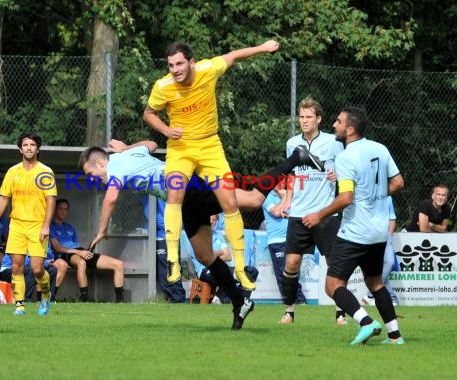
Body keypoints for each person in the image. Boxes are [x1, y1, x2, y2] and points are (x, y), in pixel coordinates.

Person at [80, 138, 323, 329]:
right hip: (184, 201)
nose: (94, 180)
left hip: (191, 189)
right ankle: (240, 301)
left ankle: (296, 157)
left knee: (254, 199)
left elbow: (111, 198)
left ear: (101, 163)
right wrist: (126, 147)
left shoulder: (115, 168)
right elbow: (151, 144)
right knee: (204, 254)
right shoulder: (127, 155)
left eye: (91, 174)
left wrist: (102, 230)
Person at [143, 40, 280, 291]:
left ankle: (240, 267)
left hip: (209, 146)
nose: (175, 69)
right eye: (171, 65)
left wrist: (262, 47)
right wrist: (166, 130)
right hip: (181, 148)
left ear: (192, 62)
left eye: (179, 63)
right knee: (175, 193)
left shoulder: (208, 69)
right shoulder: (162, 86)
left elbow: (233, 56)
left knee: (229, 201)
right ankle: (173, 259)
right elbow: (149, 113)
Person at [303, 106, 405, 345]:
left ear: (350, 129)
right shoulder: (380, 148)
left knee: (332, 286)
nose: (334, 125)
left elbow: (346, 198)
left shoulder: (346, 157)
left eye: (338, 122)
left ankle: (366, 322)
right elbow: (398, 182)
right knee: (376, 283)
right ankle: (395, 336)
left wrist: (319, 215)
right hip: (380, 232)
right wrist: (373, 195)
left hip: (356, 231)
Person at [278, 96, 346, 325]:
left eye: (309, 117)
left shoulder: (333, 142)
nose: (304, 121)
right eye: (301, 117)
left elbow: (344, 168)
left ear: (319, 119)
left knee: (333, 261)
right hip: (298, 212)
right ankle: (289, 311)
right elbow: (291, 174)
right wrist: (288, 199)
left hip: (325, 213)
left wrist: (337, 175)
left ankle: (341, 313)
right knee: (291, 262)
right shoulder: (292, 143)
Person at [0, 132, 57, 316]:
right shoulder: (13, 172)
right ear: (20, 149)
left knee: (37, 270)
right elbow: (4, 198)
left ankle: (45, 296)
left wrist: (46, 225)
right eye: (25, 145)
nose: (29, 148)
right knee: (17, 267)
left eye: (32, 145)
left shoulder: (45, 171)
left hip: (37, 225)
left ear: (38, 149)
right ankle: (19, 305)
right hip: (17, 225)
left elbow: (51, 200)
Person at [49, 199, 125, 303]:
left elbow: (76, 245)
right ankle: (85, 299)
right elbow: (57, 248)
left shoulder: (70, 227)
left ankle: (120, 301)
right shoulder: (50, 227)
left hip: (80, 251)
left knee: (118, 264)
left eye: (65, 209)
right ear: (54, 210)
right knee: (81, 263)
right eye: (60, 208)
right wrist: (79, 253)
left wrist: (84, 251)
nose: (63, 211)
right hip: (65, 254)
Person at [262, 187, 306, 307]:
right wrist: (284, 198)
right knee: (283, 273)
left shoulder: (292, 194)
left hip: (293, 238)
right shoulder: (267, 197)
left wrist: (287, 198)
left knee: (293, 272)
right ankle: (297, 302)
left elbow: (293, 213)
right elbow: (276, 212)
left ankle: (298, 302)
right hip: (277, 241)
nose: (280, 184)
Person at [143, 196, 186, 303]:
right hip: (157, 237)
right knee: (164, 273)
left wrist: (171, 226)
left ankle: (178, 300)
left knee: (169, 271)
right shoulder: (150, 192)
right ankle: (175, 299)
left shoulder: (173, 188)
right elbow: (150, 215)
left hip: (166, 237)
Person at [362, 196, 400, 306]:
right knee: (378, 269)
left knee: (389, 263)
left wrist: (389, 236)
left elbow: (392, 218)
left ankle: (370, 294)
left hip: (385, 236)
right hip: (368, 236)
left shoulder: (387, 197)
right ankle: (393, 299)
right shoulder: (365, 196)